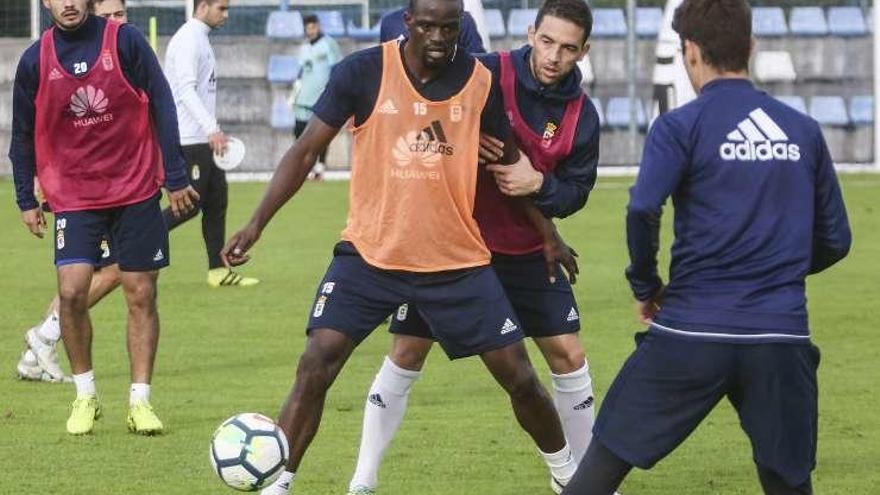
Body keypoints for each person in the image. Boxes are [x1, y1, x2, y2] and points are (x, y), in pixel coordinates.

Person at [222, 0, 580, 492]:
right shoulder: (362, 72)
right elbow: (305, 151)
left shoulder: (479, 82)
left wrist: (549, 236)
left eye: (449, 28)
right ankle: (278, 483)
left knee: (518, 376)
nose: (438, 36)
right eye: (428, 26)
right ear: (408, 23)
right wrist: (255, 224)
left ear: (461, 27)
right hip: (371, 255)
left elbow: (509, 163)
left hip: (455, 261)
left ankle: (568, 478)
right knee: (316, 361)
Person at [561, 1, 851, 494]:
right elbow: (836, 240)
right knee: (789, 484)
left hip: (690, 331)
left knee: (600, 468)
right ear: (751, 47)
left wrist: (647, 285)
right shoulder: (803, 131)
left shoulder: (679, 126)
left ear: (690, 52)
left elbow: (642, 209)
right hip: (778, 337)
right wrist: (775, 272)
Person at [347, 1, 603, 494]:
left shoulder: (580, 115)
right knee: (406, 351)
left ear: (583, 51)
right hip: (452, 248)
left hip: (529, 250)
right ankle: (363, 479)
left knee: (569, 355)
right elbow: (422, 89)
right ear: (531, 32)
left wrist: (538, 184)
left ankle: (587, 481)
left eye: (568, 48)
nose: (553, 56)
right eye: (547, 41)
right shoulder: (484, 72)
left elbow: (575, 194)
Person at [10, 0, 198, 435]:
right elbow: (21, 133)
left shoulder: (126, 41)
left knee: (140, 293)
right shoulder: (35, 59)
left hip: (134, 190)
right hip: (73, 196)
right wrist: (25, 197)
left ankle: (140, 401)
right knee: (73, 291)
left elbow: (163, 105)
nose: (70, 3)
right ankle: (85, 396)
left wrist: (173, 174)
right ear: (46, 2)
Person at [14, 0, 130, 386]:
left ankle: (36, 353)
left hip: (116, 184)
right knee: (111, 271)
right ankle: (45, 335)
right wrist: (29, 188)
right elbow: (40, 126)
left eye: (120, 14)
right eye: (108, 15)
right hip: (76, 187)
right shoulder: (53, 57)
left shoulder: (122, 49)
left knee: (91, 274)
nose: (115, 21)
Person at [164, 0, 259, 287]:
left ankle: (218, 271)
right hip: (189, 138)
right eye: (222, 8)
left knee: (217, 201)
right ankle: (124, 245)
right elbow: (185, 90)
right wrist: (211, 129)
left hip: (202, 137)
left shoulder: (200, 38)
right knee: (190, 205)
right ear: (202, 6)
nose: (226, 15)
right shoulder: (188, 40)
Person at [289, 14, 341, 179]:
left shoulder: (328, 44)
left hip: (321, 97)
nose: (310, 31)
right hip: (304, 98)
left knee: (321, 135)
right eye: (307, 28)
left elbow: (336, 68)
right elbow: (301, 71)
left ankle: (320, 168)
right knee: (299, 131)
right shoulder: (304, 48)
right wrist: (294, 91)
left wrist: (332, 91)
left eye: (313, 27)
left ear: (318, 26)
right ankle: (301, 168)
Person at [380, 4, 486, 54]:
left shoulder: (462, 20)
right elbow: (386, 66)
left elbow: (479, 64)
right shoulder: (390, 23)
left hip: (452, 93)